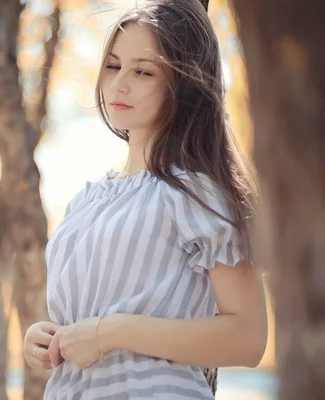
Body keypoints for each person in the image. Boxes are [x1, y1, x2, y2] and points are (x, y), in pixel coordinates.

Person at [23, 0, 268, 398]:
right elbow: (85, 318)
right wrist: (47, 337)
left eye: (143, 71)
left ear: (184, 84)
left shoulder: (196, 193)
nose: (119, 84)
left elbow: (248, 338)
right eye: (113, 65)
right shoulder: (85, 202)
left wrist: (110, 332)